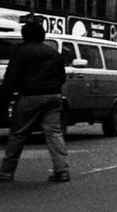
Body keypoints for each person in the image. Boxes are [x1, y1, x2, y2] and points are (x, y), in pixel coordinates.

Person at [0, 21, 70, 183]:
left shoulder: (21, 51)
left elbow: (12, 76)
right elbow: (62, 78)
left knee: (18, 133)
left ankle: (6, 171)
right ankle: (62, 170)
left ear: (25, 35)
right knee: (54, 133)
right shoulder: (53, 53)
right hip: (53, 95)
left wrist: (5, 97)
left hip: (29, 96)